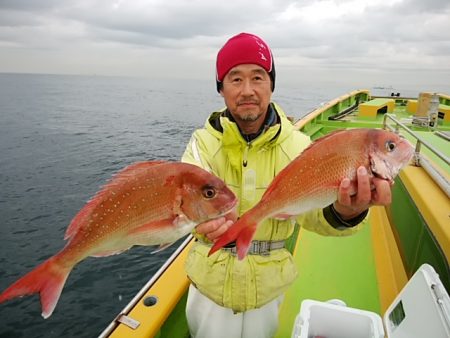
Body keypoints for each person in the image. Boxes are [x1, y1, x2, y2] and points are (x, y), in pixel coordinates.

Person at [181, 32, 393, 338]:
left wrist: (348, 211)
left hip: (267, 291)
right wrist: (199, 221)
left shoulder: (299, 146)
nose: (248, 90)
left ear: (271, 84)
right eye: (235, 79)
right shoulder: (202, 143)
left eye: (258, 77)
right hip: (209, 284)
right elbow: (183, 204)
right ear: (221, 88)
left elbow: (315, 216)